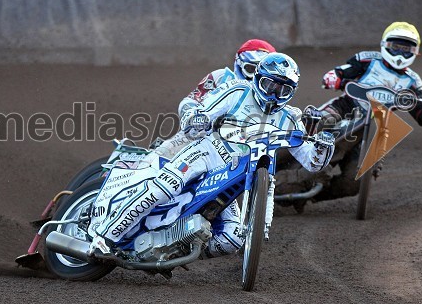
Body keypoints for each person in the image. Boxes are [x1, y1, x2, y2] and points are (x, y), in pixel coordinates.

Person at [89, 53, 335, 257]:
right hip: (205, 154)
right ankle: (104, 238)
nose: (273, 94)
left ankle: (172, 252)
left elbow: (312, 162)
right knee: (163, 188)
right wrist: (199, 118)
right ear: (258, 79)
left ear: (292, 91)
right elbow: (201, 111)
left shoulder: (291, 117)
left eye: (282, 90)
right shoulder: (238, 91)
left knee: (232, 239)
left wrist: (324, 145)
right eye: (270, 85)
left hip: (235, 177)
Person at [319, 21, 422, 126]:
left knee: (353, 151)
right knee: (323, 120)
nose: (400, 54)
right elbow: (342, 71)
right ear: (385, 44)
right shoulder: (368, 59)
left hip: (362, 122)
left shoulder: (412, 81)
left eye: (405, 49)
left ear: (415, 51)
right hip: (344, 106)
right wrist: (334, 77)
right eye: (396, 47)